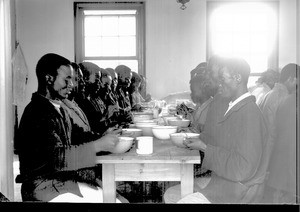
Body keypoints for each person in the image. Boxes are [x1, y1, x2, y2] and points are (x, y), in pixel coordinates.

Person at [14, 53, 125, 202]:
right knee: (112, 199)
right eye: (67, 79)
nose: (72, 84)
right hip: (43, 188)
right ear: (48, 78)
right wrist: (97, 145)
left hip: (59, 181)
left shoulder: (58, 108)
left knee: (115, 195)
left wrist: (103, 135)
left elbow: (78, 136)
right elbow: (57, 158)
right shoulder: (37, 112)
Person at [163, 57, 268, 203]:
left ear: (238, 78)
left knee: (175, 197)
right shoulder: (232, 107)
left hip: (234, 193)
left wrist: (205, 147)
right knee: (172, 195)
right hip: (220, 185)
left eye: (222, 79)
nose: (219, 83)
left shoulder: (250, 114)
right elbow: (221, 140)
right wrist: (199, 139)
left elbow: (243, 169)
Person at [263, 63, 299, 203]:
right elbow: (275, 136)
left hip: (273, 164)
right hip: (278, 165)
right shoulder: (284, 97)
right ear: (291, 79)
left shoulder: (271, 94)